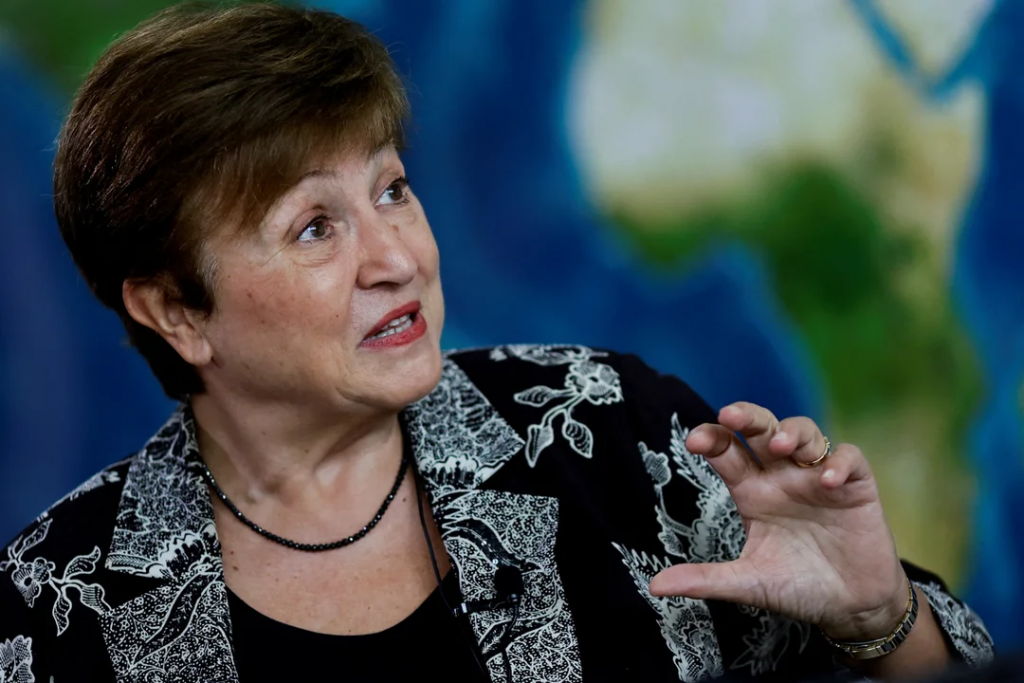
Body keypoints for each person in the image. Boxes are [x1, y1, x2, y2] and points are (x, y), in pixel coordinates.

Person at [0, 3, 994, 682]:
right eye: (314, 227)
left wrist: (879, 618)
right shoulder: (52, 606)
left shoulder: (616, 434)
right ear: (174, 310)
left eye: (393, 188)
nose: (398, 255)